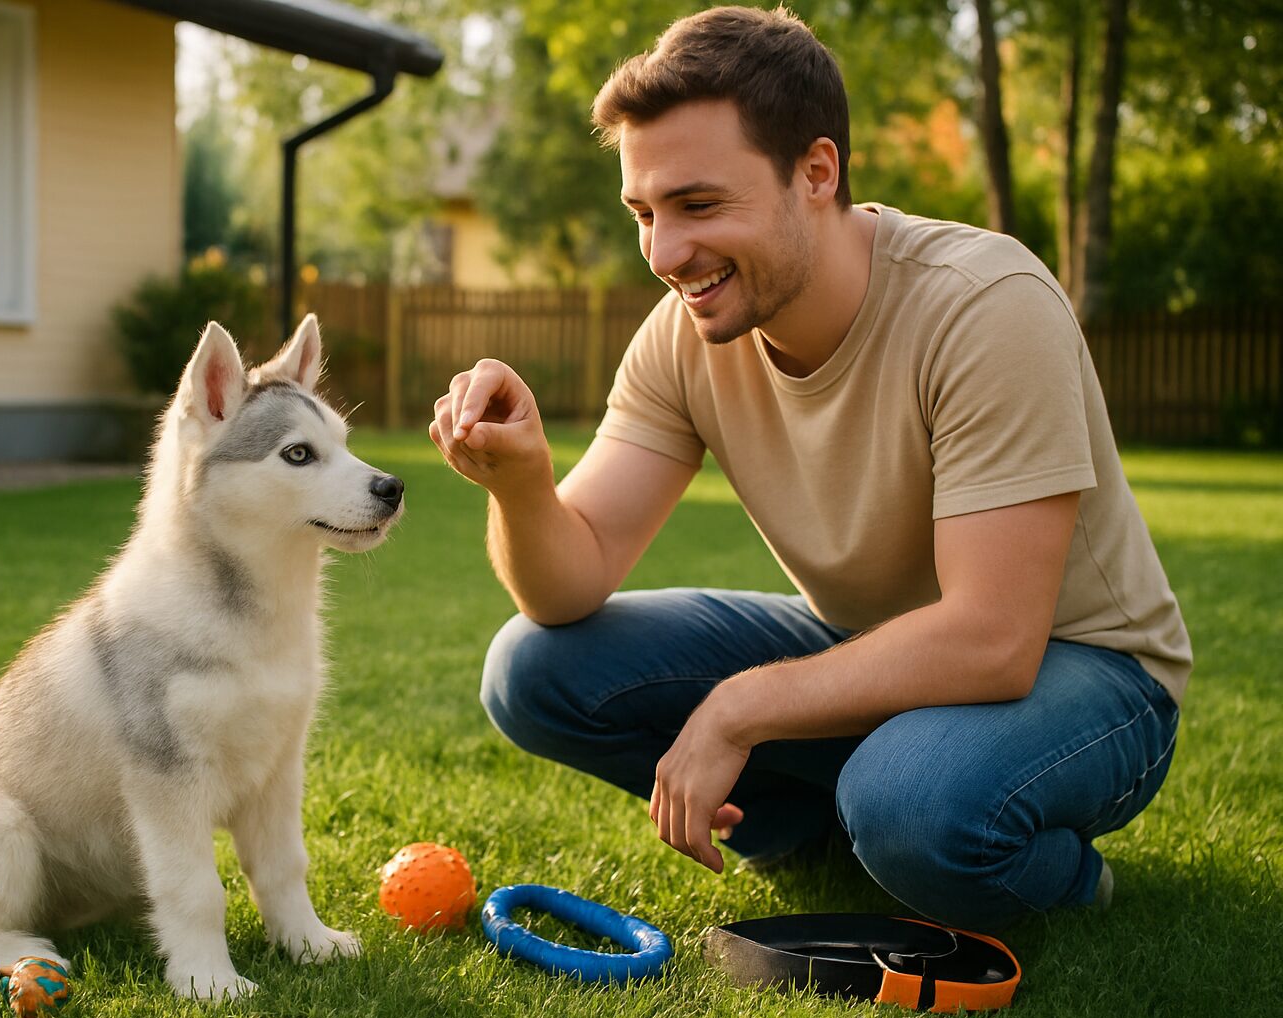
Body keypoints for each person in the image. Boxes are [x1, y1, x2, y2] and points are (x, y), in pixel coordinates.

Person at [427, 5, 1189, 932]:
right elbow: (566, 586)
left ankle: (1061, 879)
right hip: (867, 640)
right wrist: (520, 484)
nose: (664, 253)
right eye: (644, 213)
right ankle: (808, 834)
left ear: (816, 172)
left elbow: (994, 638)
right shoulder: (683, 334)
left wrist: (742, 707)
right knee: (534, 667)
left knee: (911, 803)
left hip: (1084, 671)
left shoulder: (986, 305)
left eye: (699, 205)